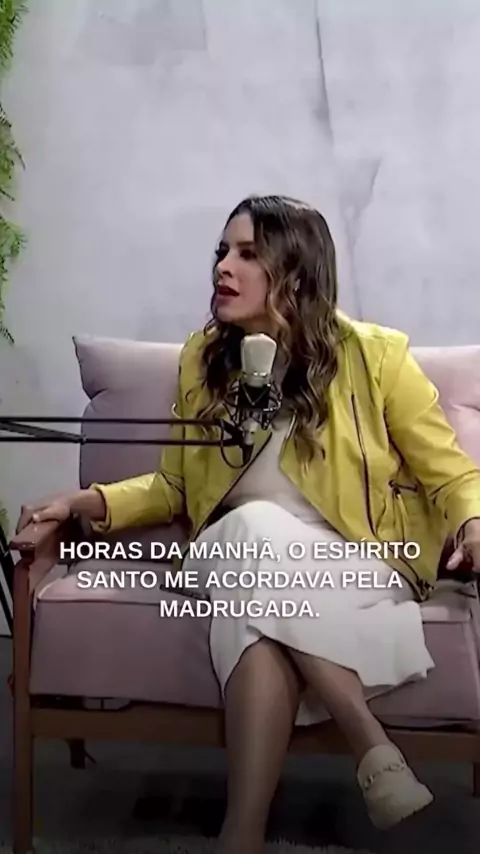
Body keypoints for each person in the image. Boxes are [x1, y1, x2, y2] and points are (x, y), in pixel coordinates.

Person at [17, 195, 480, 854]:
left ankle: (241, 836)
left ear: (295, 272)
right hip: (232, 549)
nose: (223, 268)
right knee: (254, 527)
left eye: (247, 254)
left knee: (256, 626)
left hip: (351, 563)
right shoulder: (205, 360)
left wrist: (473, 523)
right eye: (222, 252)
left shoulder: (375, 357)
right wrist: (86, 502)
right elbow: (176, 487)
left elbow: (452, 474)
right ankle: (370, 744)